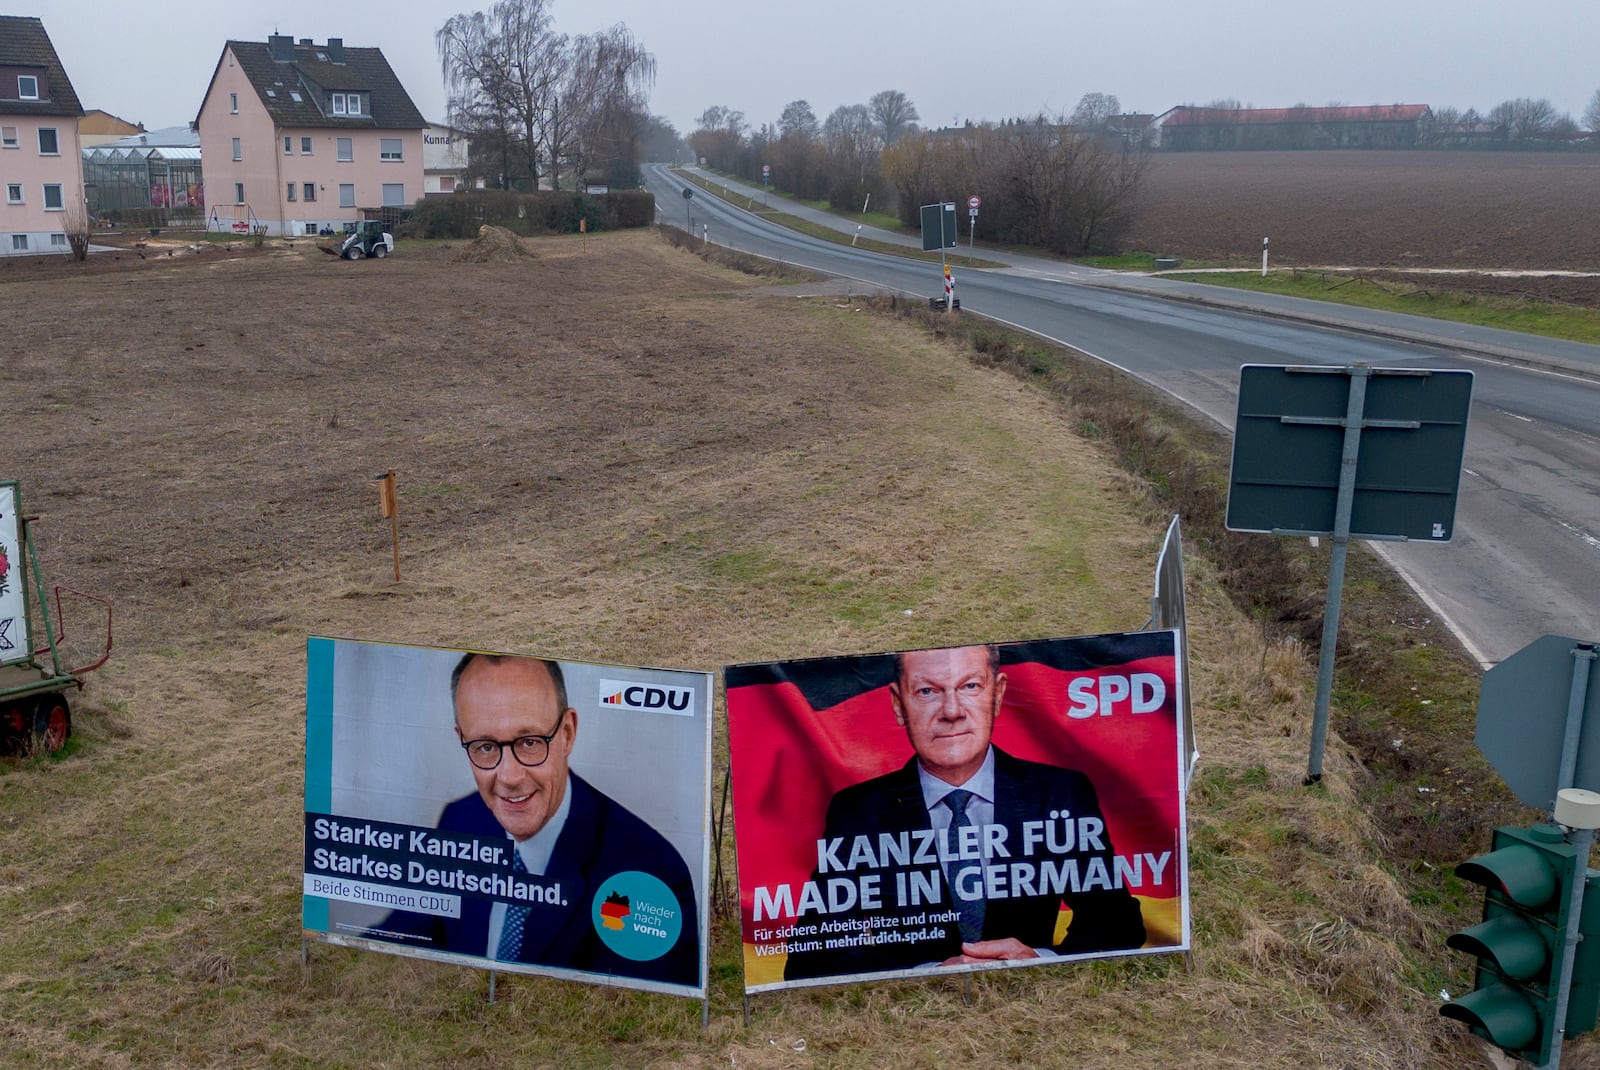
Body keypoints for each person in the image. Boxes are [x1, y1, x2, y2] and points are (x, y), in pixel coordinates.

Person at [784, 644, 1144, 981]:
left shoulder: (1059, 794)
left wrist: (1040, 960)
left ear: (997, 695)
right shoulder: (857, 811)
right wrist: (925, 973)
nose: (952, 712)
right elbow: (811, 957)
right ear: (898, 704)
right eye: (927, 692)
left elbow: (1119, 925)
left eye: (970, 686)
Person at [379, 653, 699, 987]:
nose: (509, 776)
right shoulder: (460, 819)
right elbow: (399, 936)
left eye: (529, 742)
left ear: (567, 733)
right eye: (485, 747)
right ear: (462, 739)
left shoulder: (652, 872)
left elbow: (636, 1020)